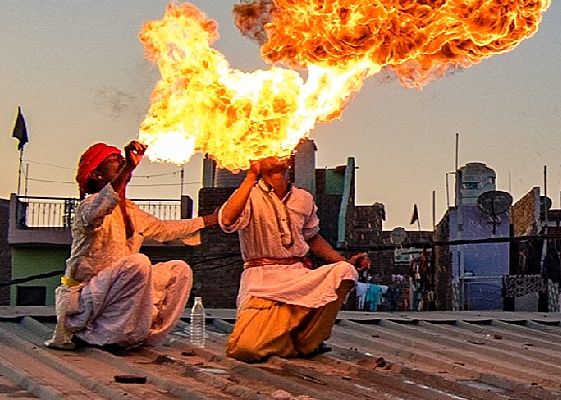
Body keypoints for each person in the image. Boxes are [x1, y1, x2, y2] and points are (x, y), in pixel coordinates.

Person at [46, 140, 218, 351]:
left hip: (118, 295)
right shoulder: (88, 206)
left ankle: (143, 335)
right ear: (97, 175)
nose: (120, 160)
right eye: (113, 159)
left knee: (179, 270)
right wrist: (128, 167)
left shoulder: (130, 210)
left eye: (121, 158)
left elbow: (164, 229)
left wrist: (212, 219)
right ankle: (105, 336)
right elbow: (100, 209)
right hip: (88, 302)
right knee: (138, 263)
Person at [219, 156, 369, 361]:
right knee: (246, 349)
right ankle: (287, 344)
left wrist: (342, 260)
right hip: (262, 280)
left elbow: (312, 237)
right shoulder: (248, 195)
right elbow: (227, 220)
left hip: (297, 274)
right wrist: (251, 176)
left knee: (344, 272)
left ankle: (307, 342)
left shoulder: (303, 198)